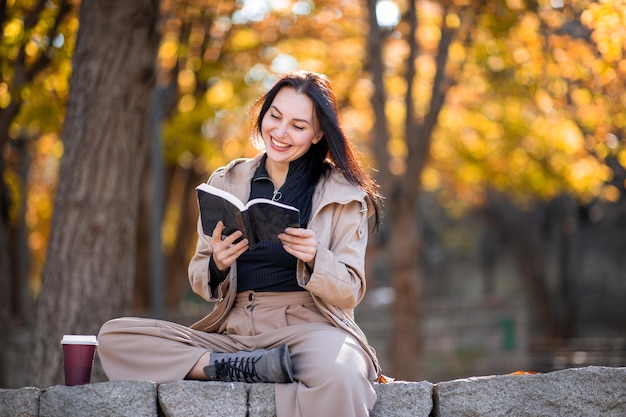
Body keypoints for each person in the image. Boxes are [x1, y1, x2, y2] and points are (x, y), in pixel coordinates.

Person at [97, 70, 384, 417]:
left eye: (297, 125)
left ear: (318, 132)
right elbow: (201, 280)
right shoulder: (227, 180)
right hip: (233, 335)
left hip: (308, 331)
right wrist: (217, 263)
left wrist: (315, 257)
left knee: (342, 374)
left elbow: (351, 290)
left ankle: (244, 366)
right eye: (274, 117)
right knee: (115, 336)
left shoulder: (343, 193)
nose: (280, 132)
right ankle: (229, 366)